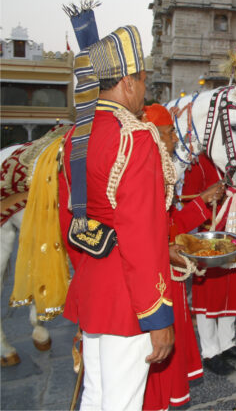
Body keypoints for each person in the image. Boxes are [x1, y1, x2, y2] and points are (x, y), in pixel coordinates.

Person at [57, 26, 175, 410]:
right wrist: (157, 316)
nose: (144, 90)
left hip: (92, 285)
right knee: (121, 402)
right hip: (130, 301)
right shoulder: (137, 138)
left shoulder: (74, 136)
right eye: (143, 80)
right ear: (127, 82)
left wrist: (89, 272)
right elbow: (143, 237)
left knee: (96, 395)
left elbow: (68, 220)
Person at [141, 104, 226, 411]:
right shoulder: (141, 176)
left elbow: (170, 224)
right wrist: (166, 250)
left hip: (167, 280)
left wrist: (203, 201)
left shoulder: (157, 174)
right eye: (168, 135)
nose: (175, 142)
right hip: (153, 286)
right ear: (151, 137)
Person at [183, 154, 236, 377]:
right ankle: (210, 352)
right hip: (209, 238)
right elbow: (189, 201)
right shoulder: (198, 163)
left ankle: (227, 344)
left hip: (234, 235)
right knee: (207, 297)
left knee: (231, 291)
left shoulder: (233, 162)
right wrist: (210, 200)